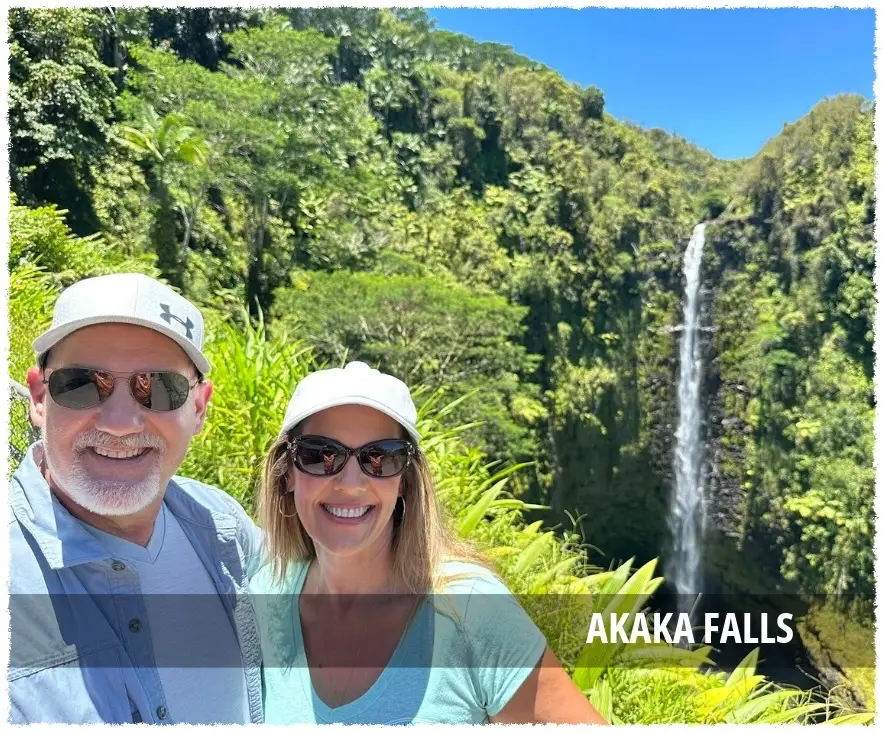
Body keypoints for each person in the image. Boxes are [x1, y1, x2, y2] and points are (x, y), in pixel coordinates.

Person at [252, 361, 609, 724]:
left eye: (381, 458)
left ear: (405, 480)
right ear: (287, 473)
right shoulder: (261, 600)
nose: (350, 483)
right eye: (321, 454)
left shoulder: (470, 610)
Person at [8, 273, 263, 724]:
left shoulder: (223, 528)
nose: (121, 422)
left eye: (159, 388)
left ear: (199, 408)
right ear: (40, 396)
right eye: (83, 384)